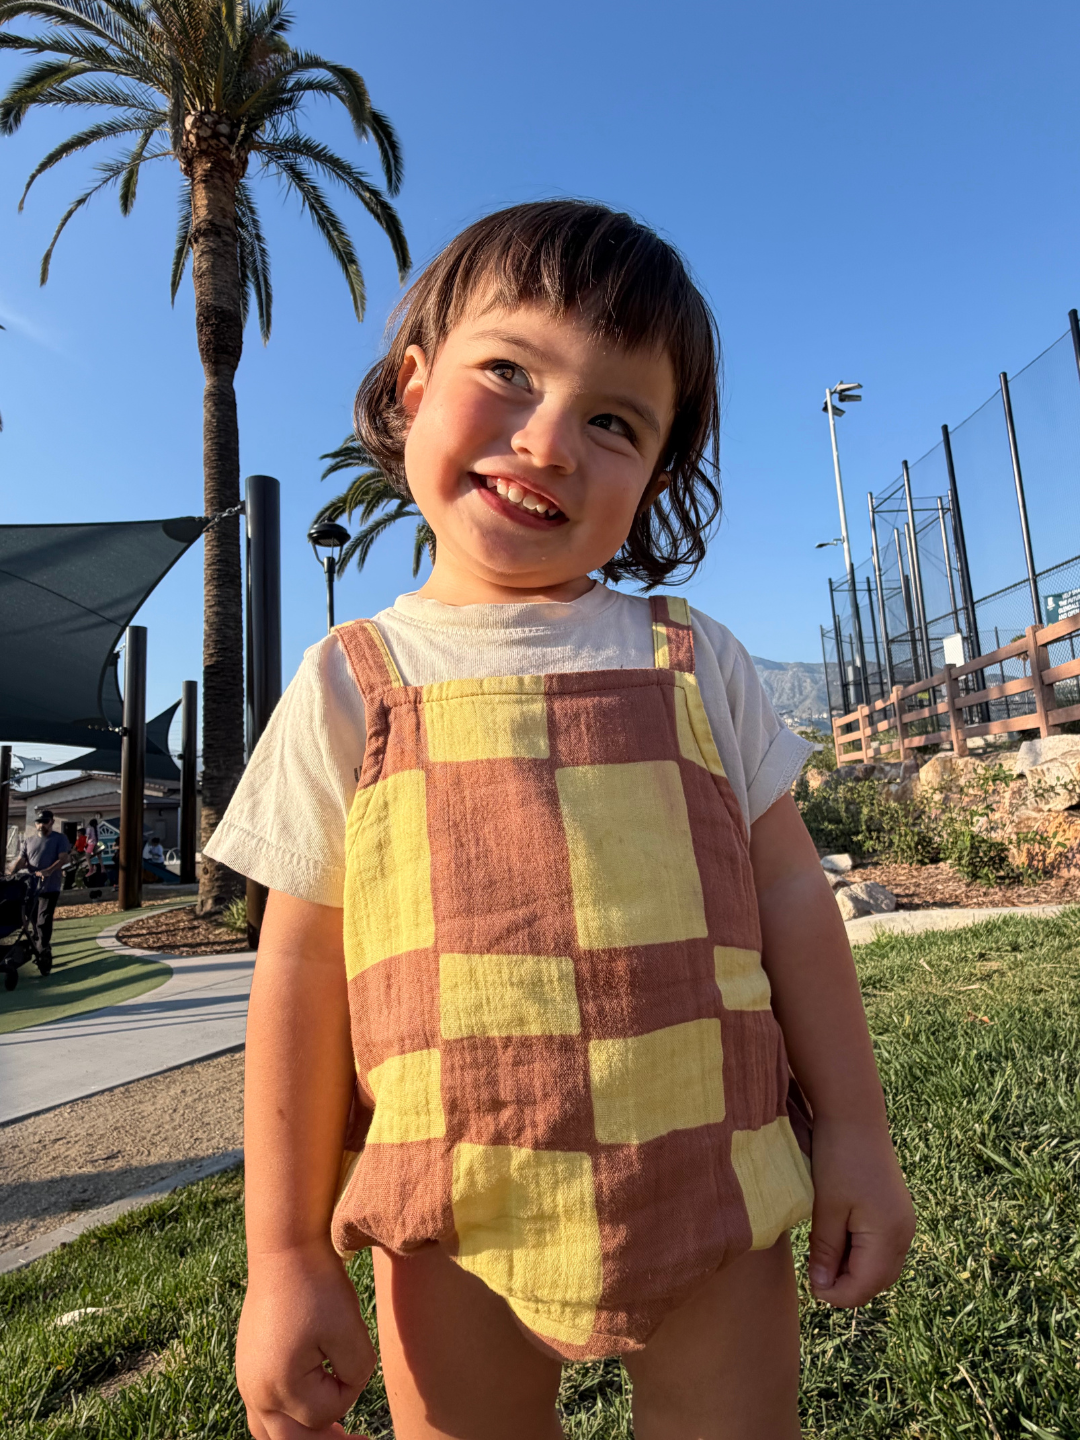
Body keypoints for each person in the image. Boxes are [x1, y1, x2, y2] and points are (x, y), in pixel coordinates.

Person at [207, 200, 915, 1440]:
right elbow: (302, 972)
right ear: (414, 385)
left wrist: (855, 1132)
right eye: (508, 373)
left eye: (613, 421)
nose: (547, 442)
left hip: (711, 1179)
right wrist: (284, 1256)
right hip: (453, 1209)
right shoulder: (347, 681)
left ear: (652, 479)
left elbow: (795, 896)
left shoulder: (697, 660)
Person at [16, 808, 71, 964]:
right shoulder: (28, 841)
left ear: (51, 822)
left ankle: (42, 950)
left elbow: (63, 858)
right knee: (32, 920)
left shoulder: (59, 839)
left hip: (50, 887)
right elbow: (22, 860)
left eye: (45, 822)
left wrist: (49, 870)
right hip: (31, 888)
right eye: (39, 822)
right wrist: (11, 872)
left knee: (43, 920)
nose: (41, 825)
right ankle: (40, 944)